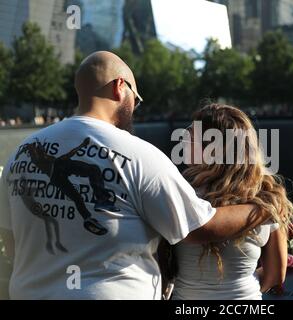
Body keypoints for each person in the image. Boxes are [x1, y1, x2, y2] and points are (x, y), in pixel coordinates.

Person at [0, 51, 270, 300]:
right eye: (136, 98)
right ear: (120, 87)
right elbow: (200, 227)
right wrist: (263, 209)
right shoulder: (141, 156)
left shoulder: (19, 155)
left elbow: (11, 244)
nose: (136, 108)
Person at [171, 104, 293, 300]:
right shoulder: (267, 197)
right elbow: (275, 275)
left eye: (190, 135)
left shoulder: (178, 192)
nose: (183, 139)